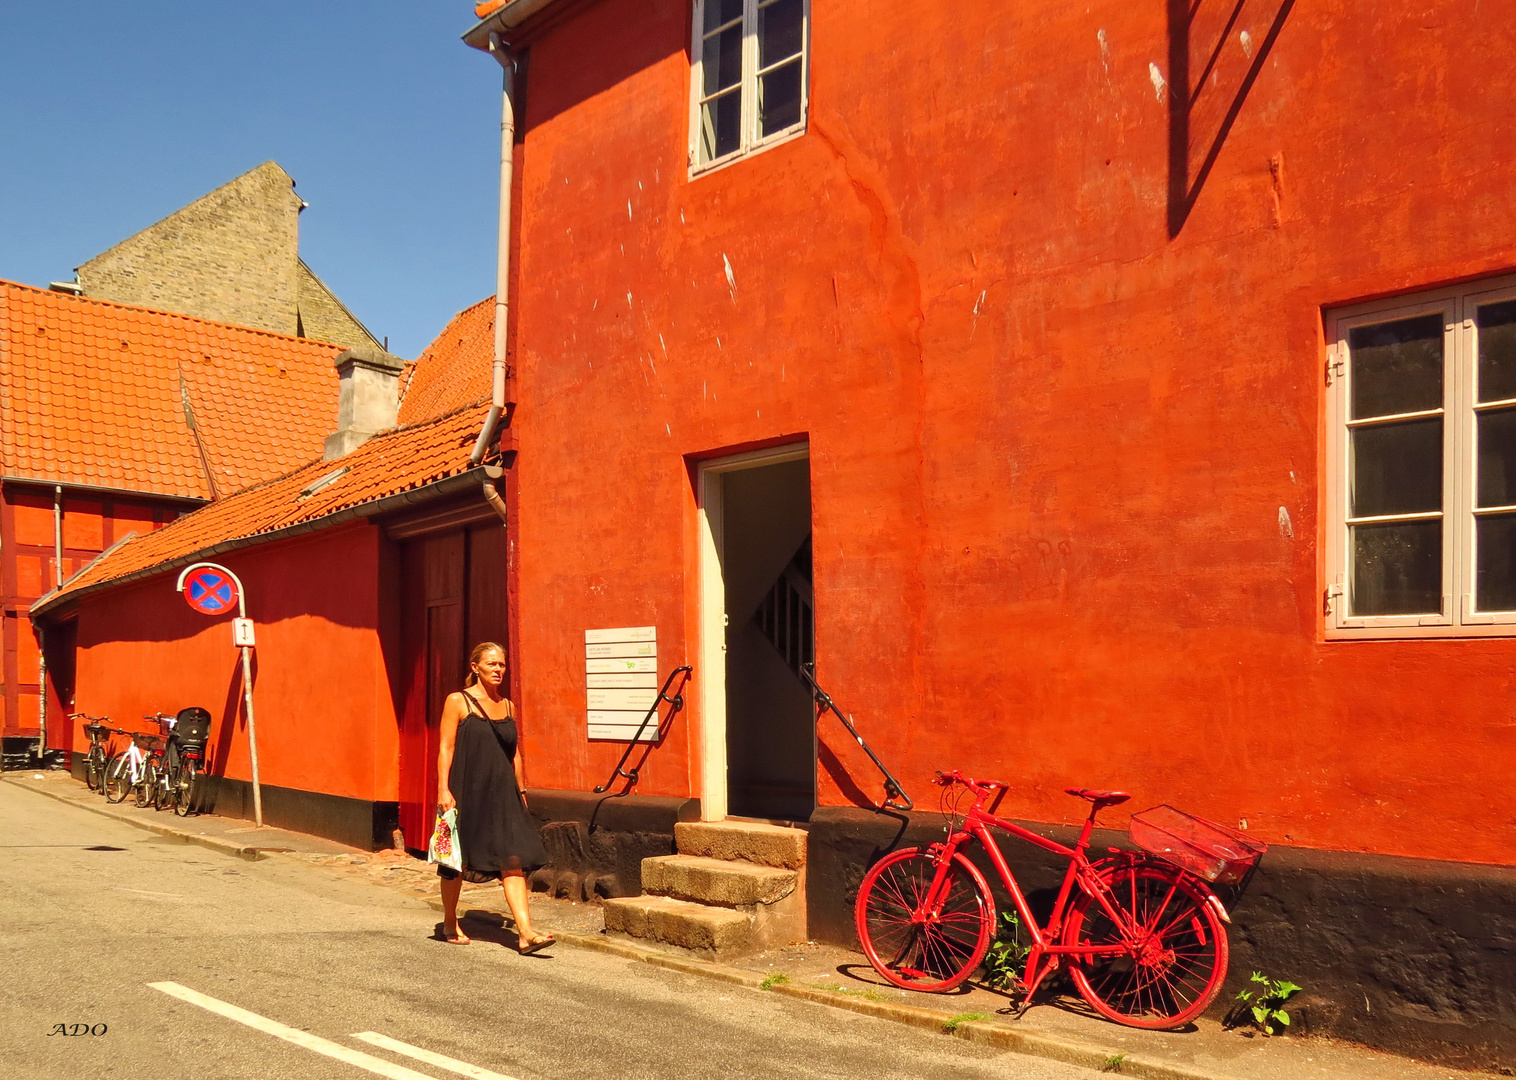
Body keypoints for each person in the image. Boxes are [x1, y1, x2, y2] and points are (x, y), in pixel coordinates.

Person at [436, 641, 553, 953]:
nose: (499, 670)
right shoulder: (458, 702)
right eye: (492, 664)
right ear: (475, 668)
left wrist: (522, 791)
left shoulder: (509, 706)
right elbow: (446, 747)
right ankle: (449, 920)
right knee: (456, 862)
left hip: (502, 795)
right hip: (466, 792)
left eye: (502, 664)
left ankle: (525, 932)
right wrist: (443, 789)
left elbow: (513, 755)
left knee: (512, 859)